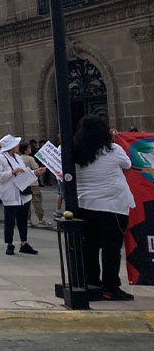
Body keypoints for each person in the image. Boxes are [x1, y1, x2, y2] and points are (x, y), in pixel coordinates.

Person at [74, 116, 136, 300]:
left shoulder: (76, 152)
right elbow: (128, 165)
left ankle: (92, 282)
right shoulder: (113, 149)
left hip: (86, 205)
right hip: (113, 206)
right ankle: (110, 287)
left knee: (90, 247)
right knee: (111, 248)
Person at [0, 134, 44, 256]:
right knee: (10, 220)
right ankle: (9, 244)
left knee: (22, 218)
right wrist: (12, 172)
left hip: (22, 192)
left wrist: (35, 172)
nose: (17, 146)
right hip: (10, 194)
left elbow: (24, 172)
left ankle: (24, 242)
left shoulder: (17, 157)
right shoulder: (1, 158)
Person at [20, 143, 50, 227]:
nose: (30, 149)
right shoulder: (30, 159)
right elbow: (36, 170)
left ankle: (28, 219)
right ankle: (41, 219)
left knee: (26, 202)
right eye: (29, 148)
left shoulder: (19, 158)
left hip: (24, 184)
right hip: (33, 183)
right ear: (26, 150)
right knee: (37, 201)